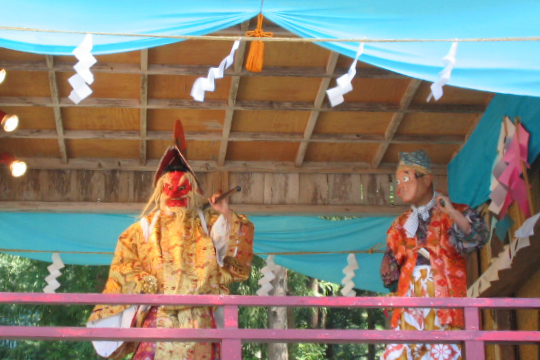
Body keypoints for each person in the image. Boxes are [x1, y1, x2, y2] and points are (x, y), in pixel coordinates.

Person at [87, 120, 254, 360]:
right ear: (159, 191)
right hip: (156, 320)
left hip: (199, 321)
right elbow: (123, 266)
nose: (175, 192)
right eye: (168, 186)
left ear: (193, 190)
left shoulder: (207, 223)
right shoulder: (142, 229)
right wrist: (143, 278)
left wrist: (226, 213)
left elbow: (236, 260)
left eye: (183, 186)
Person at [380, 150, 488, 360]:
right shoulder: (400, 224)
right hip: (409, 298)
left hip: (444, 292)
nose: (400, 186)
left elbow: (476, 238)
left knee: (445, 350)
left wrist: (452, 213)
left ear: (427, 179)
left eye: (405, 178)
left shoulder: (455, 212)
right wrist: (388, 266)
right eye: (398, 181)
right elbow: (391, 270)